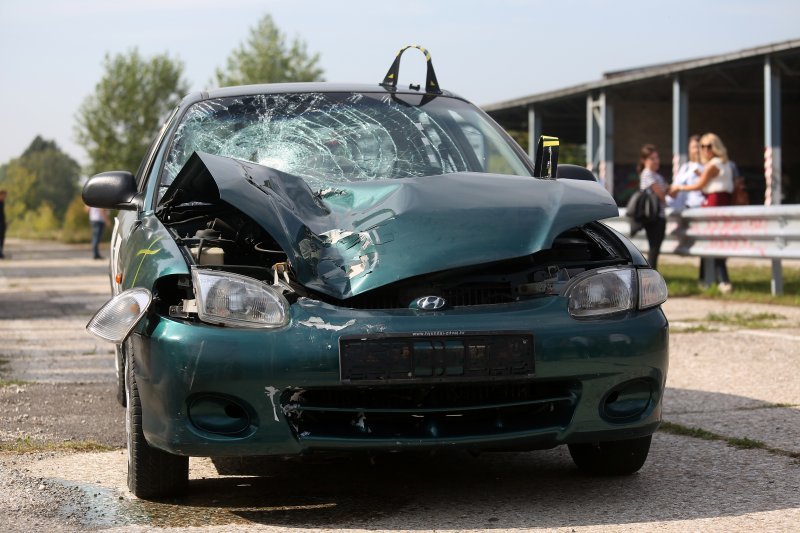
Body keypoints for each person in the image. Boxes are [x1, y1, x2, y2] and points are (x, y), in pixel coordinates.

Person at [670, 132, 734, 293]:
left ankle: (721, 280)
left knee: (712, 243)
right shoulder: (723, 163)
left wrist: (679, 187)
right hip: (720, 203)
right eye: (702, 146)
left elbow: (699, 185)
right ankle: (708, 279)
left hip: (714, 204)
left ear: (716, 147)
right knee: (711, 243)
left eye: (708, 146)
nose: (705, 150)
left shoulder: (713, 164)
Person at [637, 144, 668, 269]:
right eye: (652, 158)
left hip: (659, 215)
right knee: (654, 247)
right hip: (653, 216)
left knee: (655, 247)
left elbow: (666, 189)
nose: (656, 161)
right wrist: (665, 198)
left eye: (657, 158)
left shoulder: (657, 175)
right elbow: (660, 192)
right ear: (644, 160)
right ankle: (651, 274)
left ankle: (652, 273)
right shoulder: (647, 173)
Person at [668, 134, 705, 212]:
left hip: (702, 206)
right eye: (694, 147)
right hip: (687, 208)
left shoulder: (707, 166)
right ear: (689, 149)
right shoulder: (685, 167)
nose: (696, 150)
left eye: (699, 147)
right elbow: (676, 186)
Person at [0, 190, 6, 259]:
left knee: (2, 238)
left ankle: (1, 252)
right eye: (3, 195)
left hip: (2, 223)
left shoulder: (2, 202)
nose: (4, 197)